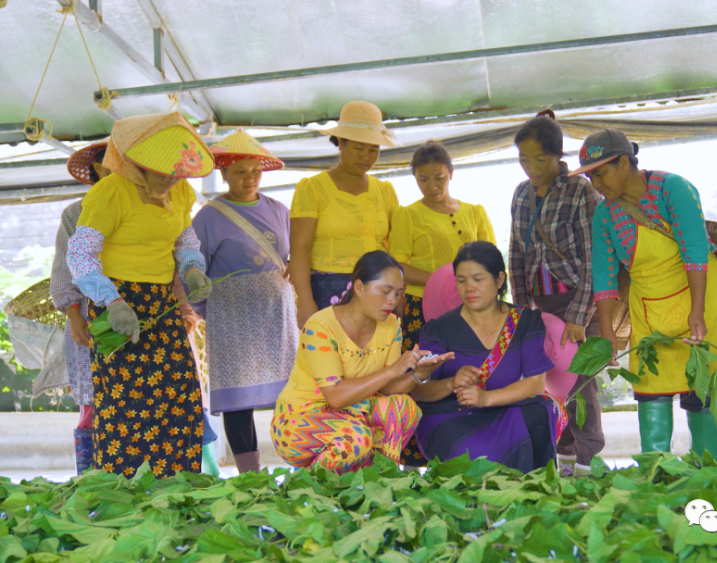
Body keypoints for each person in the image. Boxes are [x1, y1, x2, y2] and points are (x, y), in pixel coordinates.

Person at [67, 112, 215, 477]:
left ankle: (176, 482)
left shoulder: (179, 192)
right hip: (117, 301)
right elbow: (80, 255)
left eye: (177, 171)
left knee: (178, 396)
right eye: (162, 171)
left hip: (162, 305)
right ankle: (126, 488)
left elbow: (184, 238)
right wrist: (111, 302)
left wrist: (192, 268)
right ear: (137, 164)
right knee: (126, 404)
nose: (171, 178)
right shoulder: (110, 193)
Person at [578, 129, 717, 462]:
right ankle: (656, 473)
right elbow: (604, 277)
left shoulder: (671, 188)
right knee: (650, 392)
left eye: (600, 172)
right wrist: (607, 333)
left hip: (700, 297)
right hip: (650, 310)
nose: (596, 183)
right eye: (590, 176)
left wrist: (697, 312)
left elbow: (695, 250)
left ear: (624, 163)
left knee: (702, 391)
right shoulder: (604, 215)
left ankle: (709, 470)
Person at [271, 251, 453, 474]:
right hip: (299, 422)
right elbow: (336, 397)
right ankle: (312, 484)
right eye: (385, 291)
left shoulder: (391, 325)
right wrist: (394, 370)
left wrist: (419, 374)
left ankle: (380, 476)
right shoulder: (321, 326)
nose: (392, 301)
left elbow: (388, 389)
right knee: (358, 439)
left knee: (404, 408)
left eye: (398, 293)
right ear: (359, 287)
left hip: (355, 415)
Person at [410, 241, 567, 472]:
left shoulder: (524, 321)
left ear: (499, 280)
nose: (469, 288)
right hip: (451, 417)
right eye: (461, 280)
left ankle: (536, 487)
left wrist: (486, 399)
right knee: (476, 456)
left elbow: (536, 383)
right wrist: (451, 383)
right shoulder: (439, 329)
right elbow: (420, 391)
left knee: (541, 408)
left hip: (503, 409)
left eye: (478, 279)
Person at [192, 129, 296, 474]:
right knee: (238, 400)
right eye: (240, 172)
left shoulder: (279, 210)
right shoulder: (208, 216)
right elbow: (192, 270)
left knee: (293, 392)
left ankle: (302, 462)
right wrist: (208, 313)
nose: (249, 178)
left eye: (255, 171)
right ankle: (251, 476)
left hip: (277, 314)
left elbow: (292, 258)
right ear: (223, 173)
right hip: (231, 318)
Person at [508, 110, 603, 476]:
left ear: (558, 155)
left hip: (578, 302)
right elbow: (517, 251)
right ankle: (562, 460)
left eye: (540, 158)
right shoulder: (521, 194)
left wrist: (579, 317)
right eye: (523, 159)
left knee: (581, 386)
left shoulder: (580, 189)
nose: (531, 167)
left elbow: (595, 256)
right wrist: (521, 311)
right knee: (549, 386)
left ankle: (586, 461)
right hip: (540, 305)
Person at [288, 101, 400, 329]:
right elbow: (299, 247)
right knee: (332, 361)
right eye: (359, 148)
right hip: (327, 292)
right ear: (340, 142)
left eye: (374, 149)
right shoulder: (313, 188)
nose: (366, 157)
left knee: (377, 361)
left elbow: (396, 249)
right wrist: (305, 300)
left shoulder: (385, 191)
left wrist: (397, 294)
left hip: (378, 293)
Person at [389, 141, 496, 352]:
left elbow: (491, 261)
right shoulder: (407, 215)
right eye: (423, 179)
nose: (432, 186)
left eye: (439, 178)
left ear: (451, 173)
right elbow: (397, 266)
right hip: (422, 305)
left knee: (470, 365)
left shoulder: (475, 212)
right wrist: (440, 283)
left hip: (472, 303)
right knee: (424, 369)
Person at [51, 138, 109, 474]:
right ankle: (93, 483)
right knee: (93, 402)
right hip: (88, 316)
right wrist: (73, 314)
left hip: (140, 314)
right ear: (99, 168)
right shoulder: (75, 213)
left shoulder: (150, 206)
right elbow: (63, 268)